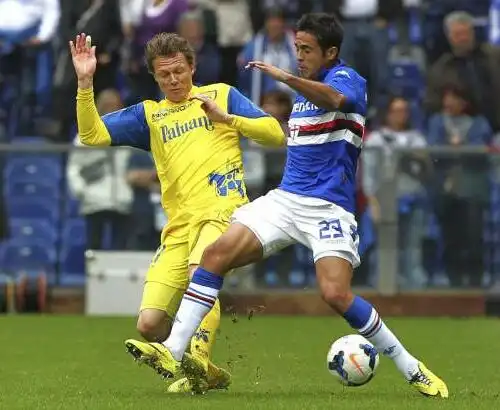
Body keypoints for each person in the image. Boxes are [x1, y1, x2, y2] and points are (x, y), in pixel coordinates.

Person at [126, 13, 450, 398]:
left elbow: (334, 99)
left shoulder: (346, 80)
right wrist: (228, 118)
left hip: (328, 208)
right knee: (215, 254)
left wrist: (284, 77)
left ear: (330, 52)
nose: (299, 55)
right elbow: (282, 135)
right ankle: (172, 349)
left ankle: (412, 368)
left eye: (307, 49)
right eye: (297, 48)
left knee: (335, 294)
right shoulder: (303, 96)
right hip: (285, 200)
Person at [70, 31, 285, 393]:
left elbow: (274, 134)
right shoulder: (149, 116)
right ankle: (209, 371)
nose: (173, 80)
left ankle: (196, 361)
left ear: (192, 66)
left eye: (179, 71)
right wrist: (85, 82)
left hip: (222, 210)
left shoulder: (221, 94)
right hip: (178, 226)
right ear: (154, 76)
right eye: (164, 74)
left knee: (201, 272)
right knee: (149, 325)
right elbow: (91, 135)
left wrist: (229, 119)